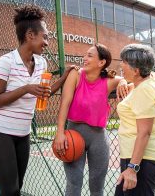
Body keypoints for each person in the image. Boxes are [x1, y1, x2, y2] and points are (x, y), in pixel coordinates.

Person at [0, 5, 76, 196]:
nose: (47, 42)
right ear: (30, 35)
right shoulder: (7, 61)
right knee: (9, 190)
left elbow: (44, 92)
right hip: (0, 132)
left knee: (18, 187)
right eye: (45, 37)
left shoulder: (41, 63)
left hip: (23, 133)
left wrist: (63, 77)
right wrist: (25, 88)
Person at [54, 43, 130, 196]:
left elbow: (123, 79)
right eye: (85, 55)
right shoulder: (75, 74)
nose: (84, 58)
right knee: (74, 183)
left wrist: (122, 82)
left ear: (101, 63)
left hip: (98, 137)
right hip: (73, 133)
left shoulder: (108, 81)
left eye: (90, 55)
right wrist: (59, 133)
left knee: (97, 186)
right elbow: (65, 103)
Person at [115, 44, 155, 196]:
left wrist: (132, 168)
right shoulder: (152, 79)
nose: (121, 64)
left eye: (124, 62)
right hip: (139, 157)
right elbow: (149, 76)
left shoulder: (144, 91)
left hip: (142, 159)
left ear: (136, 70)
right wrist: (124, 81)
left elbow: (144, 132)